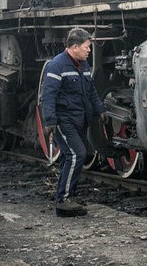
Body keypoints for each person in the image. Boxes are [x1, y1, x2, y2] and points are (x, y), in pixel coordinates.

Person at [40, 27, 108, 217]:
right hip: (64, 120)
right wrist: (50, 121)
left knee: (69, 157)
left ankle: (68, 198)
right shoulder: (57, 66)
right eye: (87, 47)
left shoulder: (83, 65)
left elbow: (91, 91)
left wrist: (100, 109)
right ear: (75, 47)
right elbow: (48, 95)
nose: (89, 51)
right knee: (77, 154)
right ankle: (63, 201)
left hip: (79, 119)